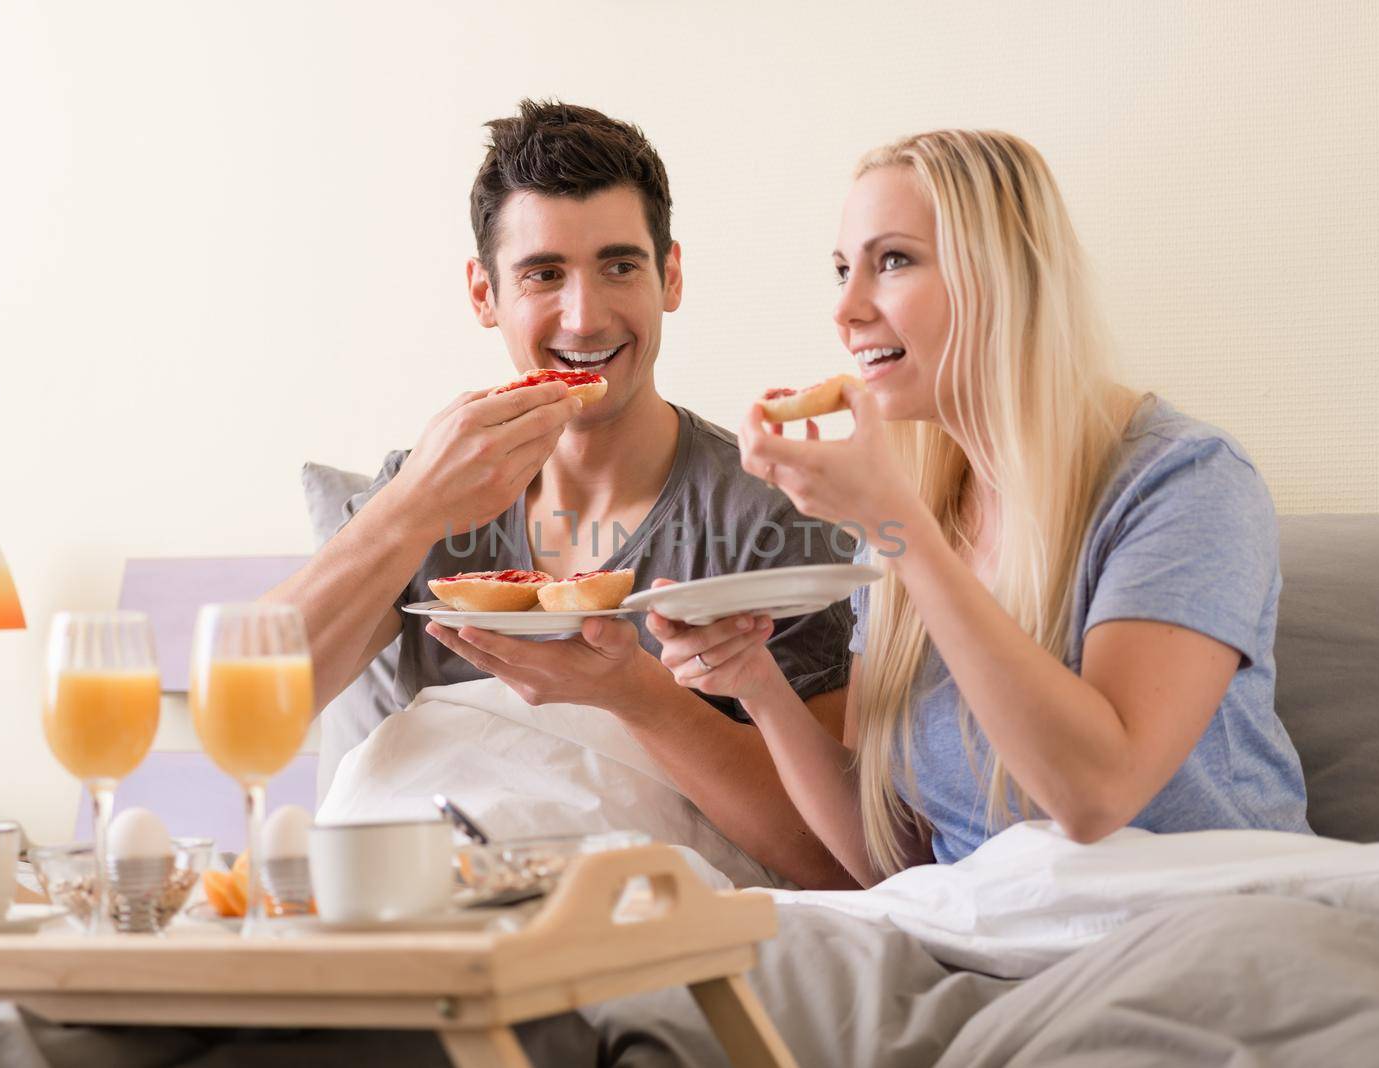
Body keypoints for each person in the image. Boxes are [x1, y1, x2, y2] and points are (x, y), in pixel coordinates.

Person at [649, 128, 1312, 885]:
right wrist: (758, 686)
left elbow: (1096, 799)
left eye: (892, 260)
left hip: (1202, 922)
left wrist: (899, 531)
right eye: (841, 271)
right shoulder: (911, 508)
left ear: (1003, 275)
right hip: (996, 944)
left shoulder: (1184, 481)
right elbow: (895, 861)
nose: (847, 310)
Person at [267, 100, 858, 890]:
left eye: (620, 266)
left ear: (670, 275)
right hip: (423, 900)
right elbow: (257, 704)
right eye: (544, 274)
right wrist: (408, 507)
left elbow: (836, 867)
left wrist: (636, 696)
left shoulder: (765, 516)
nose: (585, 316)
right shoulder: (426, 493)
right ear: (485, 294)